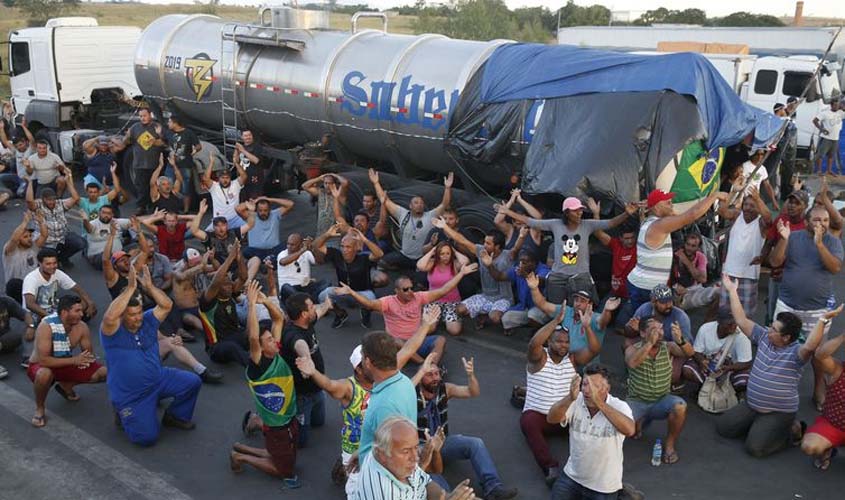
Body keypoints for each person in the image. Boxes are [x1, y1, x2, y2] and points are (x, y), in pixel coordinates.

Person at [295, 308, 440, 496]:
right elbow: (408, 349)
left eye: (364, 359)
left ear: (369, 363)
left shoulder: (383, 405)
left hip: (379, 477)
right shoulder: (399, 380)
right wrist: (424, 326)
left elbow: (391, 451)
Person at [719, 274, 832, 457]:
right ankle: (760, 427)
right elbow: (741, 320)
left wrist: (822, 320)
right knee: (724, 428)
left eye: (774, 329)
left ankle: (793, 432)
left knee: (755, 448)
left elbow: (810, 345)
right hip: (752, 405)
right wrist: (732, 290)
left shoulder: (796, 354)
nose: (769, 329)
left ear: (786, 337)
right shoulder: (764, 336)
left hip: (778, 412)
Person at [101, 266, 202, 446]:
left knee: (192, 382)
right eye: (132, 315)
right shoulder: (112, 332)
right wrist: (131, 288)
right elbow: (109, 317)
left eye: (139, 312)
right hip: (132, 395)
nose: (138, 318)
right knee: (146, 438)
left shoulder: (148, 320)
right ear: (122, 316)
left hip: (158, 379)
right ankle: (122, 412)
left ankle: (174, 416)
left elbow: (166, 305)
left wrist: (149, 287)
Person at [769, 206, 844, 409]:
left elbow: (835, 268)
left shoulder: (833, 241)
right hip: (787, 305)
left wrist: (819, 244)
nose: (822, 224)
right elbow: (775, 261)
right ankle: (775, 388)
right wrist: (784, 239)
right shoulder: (793, 237)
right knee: (779, 347)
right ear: (808, 221)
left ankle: (818, 389)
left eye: (826, 220)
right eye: (817, 220)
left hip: (817, 310)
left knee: (818, 353)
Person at [413, 356, 519, 500]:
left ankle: (493, 488)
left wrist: (470, 375)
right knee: (431, 478)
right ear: (420, 377)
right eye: (429, 374)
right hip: (421, 449)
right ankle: (451, 497)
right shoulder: (411, 395)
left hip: (442, 442)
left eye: (437, 373)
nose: (435, 378)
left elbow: (472, 392)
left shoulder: (445, 389)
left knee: (475, 443)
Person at [228, 281, 301, 489]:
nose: (273, 341)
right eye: (268, 340)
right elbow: (253, 336)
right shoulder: (258, 363)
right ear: (259, 347)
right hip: (276, 424)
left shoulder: (273, 351)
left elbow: (278, 318)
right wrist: (251, 305)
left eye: (271, 338)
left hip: (287, 416)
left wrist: (265, 301)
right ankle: (239, 457)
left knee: (285, 454)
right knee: (284, 470)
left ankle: (241, 447)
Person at [501, 197, 637, 304]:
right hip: (558, 276)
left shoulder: (587, 225)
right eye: (575, 210)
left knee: (580, 310)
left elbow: (611, 223)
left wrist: (626, 213)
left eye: (580, 209)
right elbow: (529, 221)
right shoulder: (555, 224)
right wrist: (508, 212)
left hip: (580, 276)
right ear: (566, 212)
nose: (579, 212)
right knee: (557, 309)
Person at [334, 264, 476, 362]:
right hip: (397, 348)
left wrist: (461, 273)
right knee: (394, 340)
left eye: (411, 288)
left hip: (416, 342)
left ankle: (431, 365)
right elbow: (369, 304)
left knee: (440, 340)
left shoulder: (419, 297)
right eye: (406, 289)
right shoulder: (388, 302)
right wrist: (351, 292)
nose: (410, 291)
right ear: (397, 291)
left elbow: (444, 290)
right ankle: (422, 364)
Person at [627, 189, 726, 311]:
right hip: (648, 288)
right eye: (668, 203)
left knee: (647, 322)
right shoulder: (659, 225)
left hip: (642, 284)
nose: (672, 205)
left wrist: (654, 206)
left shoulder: (649, 222)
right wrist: (714, 195)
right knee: (652, 324)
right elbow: (692, 214)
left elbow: (678, 216)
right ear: (657, 207)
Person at [546, 365, 635, 500]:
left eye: (595, 386)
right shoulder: (577, 400)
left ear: (607, 389)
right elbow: (551, 418)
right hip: (572, 476)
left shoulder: (620, 406)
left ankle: (622, 492)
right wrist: (569, 398)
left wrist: (599, 402)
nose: (588, 391)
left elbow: (630, 430)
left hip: (603, 486)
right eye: (585, 384)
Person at [26, 295, 107, 427]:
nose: (82, 314)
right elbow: (44, 361)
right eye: (77, 311)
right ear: (64, 312)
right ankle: (40, 408)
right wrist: (75, 360)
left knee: (104, 373)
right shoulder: (46, 326)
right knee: (44, 375)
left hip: (65, 363)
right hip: (41, 366)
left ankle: (66, 386)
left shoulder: (82, 327)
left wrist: (85, 360)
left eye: (81, 310)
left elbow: (88, 356)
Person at [521, 310, 581, 485]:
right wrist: (556, 321)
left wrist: (586, 326)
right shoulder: (538, 358)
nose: (563, 345)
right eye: (559, 341)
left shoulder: (571, 359)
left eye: (566, 342)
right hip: (542, 417)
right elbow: (533, 343)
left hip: (566, 417)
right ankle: (550, 468)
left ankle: (585, 470)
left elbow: (594, 350)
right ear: (549, 342)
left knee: (589, 417)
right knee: (528, 421)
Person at [355, 416, 478, 500]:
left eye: (415, 447)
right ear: (382, 455)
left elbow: (424, 482)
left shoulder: (392, 461)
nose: (415, 457)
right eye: (406, 451)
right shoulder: (385, 493)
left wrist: (447, 497)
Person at [624, 316, 692, 464]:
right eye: (654, 329)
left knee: (680, 407)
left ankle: (669, 445)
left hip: (661, 400)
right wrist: (649, 343)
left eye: (661, 329)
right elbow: (633, 363)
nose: (659, 333)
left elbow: (689, 353)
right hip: (637, 401)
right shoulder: (632, 349)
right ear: (642, 333)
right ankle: (640, 421)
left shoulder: (668, 347)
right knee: (626, 430)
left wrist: (680, 339)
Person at [370, 168, 453, 276]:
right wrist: (376, 183)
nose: (419, 205)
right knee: (382, 262)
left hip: (421, 258)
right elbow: (385, 200)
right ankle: (403, 270)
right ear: (410, 206)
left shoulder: (430, 216)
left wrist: (447, 188)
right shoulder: (402, 214)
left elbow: (444, 204)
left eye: (421, 203)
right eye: (416, 202)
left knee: (420, 282)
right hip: (404, 255)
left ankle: (413, 273)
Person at [434, 220, 512, 329]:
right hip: (486, 296)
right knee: (460, 309)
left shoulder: (507, 256)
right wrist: (445, 227)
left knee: (495, 317)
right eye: (484, 242)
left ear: (498, 247)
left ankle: (507, 323)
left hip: (503, 298)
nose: (484, 245)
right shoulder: (481, 251)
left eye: (488, 243)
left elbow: (498, 277)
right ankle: (483, 314)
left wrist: (489, 265)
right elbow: (463, 240)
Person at [281, 291, 333, 448]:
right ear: (304, 314)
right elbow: (300, 345)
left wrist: (327, 303)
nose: (314, 309)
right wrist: (307, 360)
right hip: (302, 396)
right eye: (311, 307)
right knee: (300, 442)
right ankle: (258, 421)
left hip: (317, 390)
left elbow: (320, 312)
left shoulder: (307, 322)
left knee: (319, 423)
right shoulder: (292, 335)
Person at [527, 275, 616, 365]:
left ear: (590, 304)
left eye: (582, 301)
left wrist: (607, 310)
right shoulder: (567, 311)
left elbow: (603, 321)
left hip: (588, 366)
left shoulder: (594, 317)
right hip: (566, 362)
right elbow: (542, 304)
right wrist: (534, 289)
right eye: (576, 300)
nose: (578, 304)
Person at [314, 225, 385, 328]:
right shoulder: (336, 254)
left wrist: (364, 239)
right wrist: (327, 235)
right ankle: (340, 314)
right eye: (342, 246)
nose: (344, 250)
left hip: (362, 293)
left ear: (356, 248)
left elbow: (379, 254)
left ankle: (365, 313)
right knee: (323, 296)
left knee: (371, 299)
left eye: (348, 247)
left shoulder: (364, 258)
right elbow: (316, 246)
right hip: (343, 291)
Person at [719, 186, 772, 317]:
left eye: (752, 205)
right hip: (729, 273)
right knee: (725, 314)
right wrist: (733, 191)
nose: (747, 208)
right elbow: (722, 211)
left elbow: (768, 218)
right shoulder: (737, 215)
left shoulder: (760, 222)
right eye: (746, 204)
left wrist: (758, 198)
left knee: (745, 316)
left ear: (758, 207)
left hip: (749, 276)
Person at [625, 285, 693, 386]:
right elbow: (628, 332)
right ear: (653, 302)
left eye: (670, 301)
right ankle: (634, 375)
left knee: (673, 376)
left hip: (672, 348)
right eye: (663, 302)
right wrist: (633, 328)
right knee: (627, 343)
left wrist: (677, 340)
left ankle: (678, 383)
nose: (668, 305)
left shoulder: (681, 317)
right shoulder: (644, 308)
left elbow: (687, 349)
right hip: (649, 342)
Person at [761, 189, 808, 323]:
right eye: (791, 202)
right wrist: (762, 257)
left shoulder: (807, 226)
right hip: (776, 273)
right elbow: (769, 242)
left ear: (805, 206)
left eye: (797, 203)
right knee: (772, 308)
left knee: (791, 314)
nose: (792, 205)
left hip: (796, 276)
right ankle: (769, 333)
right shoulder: (781, 219)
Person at [199, 241, 249, 366]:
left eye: (229, 284)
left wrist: (239, 257)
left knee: (260, 329)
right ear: (217, 289)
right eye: (225, 285)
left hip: (234, 336)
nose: (229, 287)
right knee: (232, 347)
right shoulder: (208, 302)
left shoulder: (230, 292)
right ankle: (255, 367)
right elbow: (216, 281)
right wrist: (230, 257)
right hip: (217, 346)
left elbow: (243, 277)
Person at [681, 308, 753, 395]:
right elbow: (696, 351)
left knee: (745, 380)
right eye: (729, 323)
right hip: (709, 368)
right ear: (719, 322)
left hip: (730, 370)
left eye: (735, 322)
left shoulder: (742, 336)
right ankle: (707, 388)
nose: (733, 326)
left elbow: (746, 363)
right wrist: (701, 361)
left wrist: (729, 368)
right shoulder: (705, 329)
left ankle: (729, 392)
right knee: (687, 370)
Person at [22, 247, 96, 329]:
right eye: (48, 264)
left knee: (84, 303)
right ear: (40, 263)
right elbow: (30, 304)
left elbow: (78, 288)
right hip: (36, 312)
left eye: (54, 263)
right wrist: (51, 317)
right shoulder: (31, 279)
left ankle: (65, 322)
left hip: (52, 306)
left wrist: (90, 303)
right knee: (30, 335)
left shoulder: (57, 273)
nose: (52, 266)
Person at [802, 331, 845, 471]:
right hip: (833, 424)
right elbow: (820, 355)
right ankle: (828, 449)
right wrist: (842, 336)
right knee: (809, 446)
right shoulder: (838, 370)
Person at [113, 107, 166, 213]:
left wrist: (158, 135)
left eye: (145, 115)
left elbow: (164, 142)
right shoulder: (135, 127)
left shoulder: (157, 126)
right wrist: (124, 139)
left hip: (154, 163)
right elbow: (126, 142)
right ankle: (141, 207)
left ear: (150, 115)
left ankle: (153, 207)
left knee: (155, 186)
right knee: (141, 187)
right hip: (139, 163)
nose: (143, 118)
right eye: (141, 116)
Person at [25, 173, 84, 265]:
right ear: (43, 199)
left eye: (53, 199)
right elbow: (29, 201)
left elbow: (75, 198)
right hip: (47, 241)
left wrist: (68, 182)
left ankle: (61, 258)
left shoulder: (59, 203)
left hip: (62, 236)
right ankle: (53, 261)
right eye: (48, 200)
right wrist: (30, 182)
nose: (52, 202)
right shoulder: (38, 206)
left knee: (80, 243)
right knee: (50, 264)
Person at [593, 221, 638, 329]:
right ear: (620, 238)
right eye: (627, 238)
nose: (630, 241)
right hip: (615, 293)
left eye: (632, 237)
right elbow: (597, 232)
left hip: (631, 296)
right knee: (597, 320)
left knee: (621, 325)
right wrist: (596, 213)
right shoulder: (615, 244)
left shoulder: (638, 246)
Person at [417, 242, 468, 336]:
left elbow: (465, 262)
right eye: (442, 253)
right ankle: (430, 316)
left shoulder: (454, 264)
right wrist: (432, 251)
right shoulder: (432, 264)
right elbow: (420, 265)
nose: (445, 256)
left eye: (448, 253)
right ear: (437, 254)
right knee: (429, 329)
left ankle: (445, 318)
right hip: (433, 301)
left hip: (451, 302)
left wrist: (455, 251)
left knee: (454, 330)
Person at [191, 199, 255, 264]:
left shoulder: (234, 233)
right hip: (215, 267)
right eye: (217, 226)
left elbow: (250, 225)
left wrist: (251, 211)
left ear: (227, 226)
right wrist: (201, 213)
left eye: (223, 225)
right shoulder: (209, 236)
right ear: (213, 227)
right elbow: (194, 231)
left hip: (233, 265)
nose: (220, 228)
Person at [4, 211, 47, 302]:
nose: (29, 238)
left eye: (30, 236)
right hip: (16, 287)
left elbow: (44, 236)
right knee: (14, 284)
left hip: (31, 286)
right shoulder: (10, 250)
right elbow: (14, 239)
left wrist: (41, 222)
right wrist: (25, 222)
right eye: (25, 236)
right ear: (19, 239)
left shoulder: (33, 248)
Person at [494, 188, 547, 262]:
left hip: (531, 269)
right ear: (513, 223)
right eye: (518, 223)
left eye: (522, 221)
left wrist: (520, 199)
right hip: (512, 270)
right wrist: (511, 200)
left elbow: (538, 217)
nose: (521, 225)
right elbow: (497, 221)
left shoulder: (533, 232)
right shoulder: (510, 231)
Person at [669, 232, 717, 312]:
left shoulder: (700, 257)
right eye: (688, 244)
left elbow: (702, 279)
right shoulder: (675, 256)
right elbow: (668, 275)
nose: (689, 248)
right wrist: (675, 285)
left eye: (693, 246)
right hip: (678, 292)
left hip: (695, 289)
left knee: (718, 292)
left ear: (698, 247)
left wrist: (686, 261)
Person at [276, 233, 329, 303]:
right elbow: (283, 262)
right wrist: (302, 250)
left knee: (326, 283)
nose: (289, 247)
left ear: (300, 245)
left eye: (292, 245)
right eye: (288, 244)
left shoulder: (306, 253)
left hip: (304, 287)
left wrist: (313, 247)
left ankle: (307, 301)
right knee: (286, 287)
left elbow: (319, 261)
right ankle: (310, 301)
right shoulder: (282, 254)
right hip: (291, 289)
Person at [201, 156, 248, 229]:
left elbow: (244, 176)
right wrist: (211, 163)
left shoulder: (236, 184)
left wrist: (236, 163)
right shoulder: (214, 186)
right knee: (205, 235)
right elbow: (205, 178)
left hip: (235, 219)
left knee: (250, 228)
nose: (225, 180)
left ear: (230, 178)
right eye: (222, 178)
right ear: (219, 179)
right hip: (218, 221)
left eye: (227, 178)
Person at [243, 196, 294, 263]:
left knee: (287, 246)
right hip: (256, 250)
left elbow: (290, 204)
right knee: (246, 251)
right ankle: (270, 260)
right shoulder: (251, 216)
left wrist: (269, 199)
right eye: (260, 210)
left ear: (269, 209)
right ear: (256, 210)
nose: (263, 213)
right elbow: (238, 209)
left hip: (273, 249)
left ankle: (266, 261)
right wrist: (254, 202)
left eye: (265, 210)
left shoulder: (275, 214)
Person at [167, 115, 200, 213]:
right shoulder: (169, 133)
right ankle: (172, 209)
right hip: (171, 165)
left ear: (175, 123)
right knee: (168, 187)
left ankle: (186, 210)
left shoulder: (188, 133)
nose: (168, 124)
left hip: (185, 165)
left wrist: (194, 151)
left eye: (169, 122)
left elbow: (198, 146)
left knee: (186, 189)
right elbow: (163, 142)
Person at [81, 205, 131, 270]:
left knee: (136, 246)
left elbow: (133, 221)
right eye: (103, 213)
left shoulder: (116, 221)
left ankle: (120, 262)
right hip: (98, 256)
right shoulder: (94, 223)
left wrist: (146, 219)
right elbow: (88, 228)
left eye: (108, 213)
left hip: (118, 253)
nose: (106, 215)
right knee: (107, 259)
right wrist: (85, 220)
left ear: (112, 215)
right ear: (99, 213)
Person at [0, 293, 36, 379]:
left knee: (28, 325)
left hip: (5, 339)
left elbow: (26, 315)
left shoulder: (6, 301)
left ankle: (28, 358)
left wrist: (31, 326)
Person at [303, 173, 349, 238]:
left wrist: (334, 175)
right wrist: (319, 178)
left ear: (334, 184)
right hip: (321, 233)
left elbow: (345, 183)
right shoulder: (321, 193)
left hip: (335, 235)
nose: (327, 185)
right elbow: (304, 186)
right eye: (325, 183)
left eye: (330, 183)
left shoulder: (339, 195)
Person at [0, 115, 34, 197]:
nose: (19, 147)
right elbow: (5, 141)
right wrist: (1, 128)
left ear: (25, 143)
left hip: (27, 179)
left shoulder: (30, 150)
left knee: (20, 193)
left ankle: (16, 192)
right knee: (1, 177)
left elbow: (32, 139)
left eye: (21, 145)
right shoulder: (16, 151)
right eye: (17, 146)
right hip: (17, 177)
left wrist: (23, 127)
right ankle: (6, 192)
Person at [232, 129, 266, 202]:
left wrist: (243, 150)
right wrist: (236, 150)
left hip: (254, 180)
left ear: (252, 136)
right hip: (243, 180)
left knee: (254, 201)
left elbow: (256, 160)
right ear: (242, 137)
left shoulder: (257, 147)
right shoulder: (241, 147)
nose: (248, 137)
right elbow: (236, 162)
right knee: (243, 200)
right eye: (245, 135)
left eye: (249, 135)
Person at [813, 98, 844, 175]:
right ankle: (819, 171)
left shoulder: (840, 113)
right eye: (835, 105)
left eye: (838, 105)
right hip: (826, 138)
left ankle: (829, 170)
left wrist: (842, 107)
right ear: (831, 105)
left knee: (831, 156)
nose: (837, 107)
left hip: (835, 138)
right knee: (820, 155)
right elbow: (815, 120)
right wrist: (822, 129)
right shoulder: (825, 113)